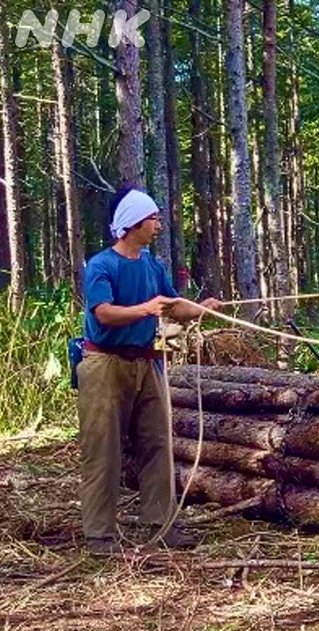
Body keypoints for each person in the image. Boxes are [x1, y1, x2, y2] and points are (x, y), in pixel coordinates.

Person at [78, 187, 222, 555]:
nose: (158, 224)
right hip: (104, 364)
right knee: (103, 448)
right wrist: (145, 309)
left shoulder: (151, 265)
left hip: (147, 362)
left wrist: (202, 308)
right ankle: (100, 536)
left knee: (158, 444)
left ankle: (161, 525)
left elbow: (174, 308)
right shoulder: (101, 266)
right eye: (153, 218)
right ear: (131, 224)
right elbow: (103, 313)